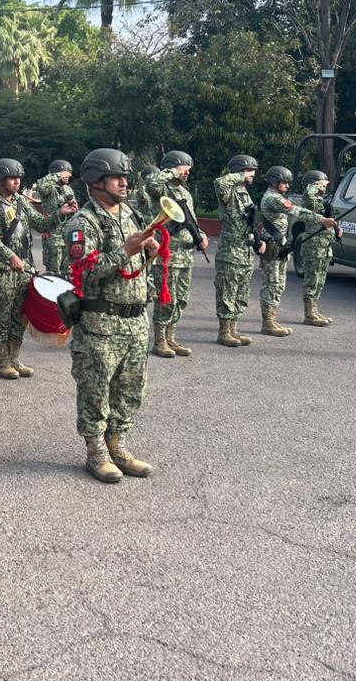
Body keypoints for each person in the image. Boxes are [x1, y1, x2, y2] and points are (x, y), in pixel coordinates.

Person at [61, 148, 160, 484]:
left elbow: (133, 267)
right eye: (117, 176)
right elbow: (82, 273)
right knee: (96, 390)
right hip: (100, 325)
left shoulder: (129, 214)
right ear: (95, 180)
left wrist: (148, 254)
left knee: (130, 390)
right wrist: (126, 250)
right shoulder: (82, 224)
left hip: (135, 322)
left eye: (125, 176)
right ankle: (96, 452)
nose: (124, 182)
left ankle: (118, 445)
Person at [0, 157, 76, 380]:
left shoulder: (21, 202)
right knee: (2, 318)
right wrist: (10, 256)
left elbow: (41, 224)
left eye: (18, 178)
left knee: (20, 317)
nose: (16, 182)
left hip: (25, 270)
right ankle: (2, 361)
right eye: (12, 178)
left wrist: (59, 214)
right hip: (3, 271)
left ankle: (14, 358)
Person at [257, 166, 337, 336]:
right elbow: (296, 210)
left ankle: (272, 321)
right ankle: (268, 323)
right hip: (272, 247)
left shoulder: (277, 196)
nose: (287, 185)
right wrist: (321, 219)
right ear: (274, 182)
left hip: (278, 247)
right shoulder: (273, 198)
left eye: (287, 182)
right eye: (284, 182)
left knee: (278, 285)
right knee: (272, 285)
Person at [146, 151, 208, 358]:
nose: (188, 172)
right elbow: (152, 183)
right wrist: (171, 170)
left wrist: (201, 234)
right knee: (166, 299)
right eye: (185, 168)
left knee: (181, 299)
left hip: (185, 255)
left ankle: (171, 337)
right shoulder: (162, 188)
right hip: (167, 254)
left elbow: (191, 219)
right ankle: (160, 341)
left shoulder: (185, 193)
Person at [213, 154, 261, 348]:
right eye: (250, 172)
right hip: (230, 251)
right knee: (227, 291)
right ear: (241, 170)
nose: (252, 176)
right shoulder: (229, 189)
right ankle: (223, 332)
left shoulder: (243, 192)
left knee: (240, 293)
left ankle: (233, 329)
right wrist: (240, 175)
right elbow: (219, 181)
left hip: (245, 251)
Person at [298, 170, 335, 327]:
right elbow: (308, 193)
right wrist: (315, 185)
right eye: (322, 184)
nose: (325, 186)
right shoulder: (309, 199)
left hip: (324, 247)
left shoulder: (321, 200)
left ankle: (314, 309)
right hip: (314, 247)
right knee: (312, 281)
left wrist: (335, 229)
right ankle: (309, 314)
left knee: (319, 281)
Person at [35, 159, 76, 276]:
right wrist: (58, 175)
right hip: (53, 237)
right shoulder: (49, 189)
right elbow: (41, 185)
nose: (69, 176)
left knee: (68, 273)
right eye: (66, 173)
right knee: (53, 274)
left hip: (68, 237)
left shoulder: (67, 188)